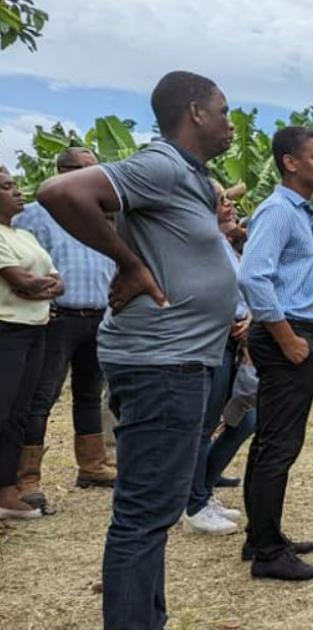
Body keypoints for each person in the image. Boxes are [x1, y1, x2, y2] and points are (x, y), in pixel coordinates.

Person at [37, 70, 237, 630]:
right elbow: (60, 192)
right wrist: (130, 264)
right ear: (195, 112)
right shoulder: (161, 164)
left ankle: (150, 618)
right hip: (161, 364)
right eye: (222, 111)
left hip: (178, 360)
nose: (229, 122)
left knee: (152, 512)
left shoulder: (192, 177)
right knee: (142, 517)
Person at [237, 125, 313, 581]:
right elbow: (253, 275)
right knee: (280, 445)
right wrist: (285, 337)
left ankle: (261, 536)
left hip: (290, 328)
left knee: (272, 439)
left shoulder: (298, 210)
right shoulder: (278, 211)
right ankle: (270, 554)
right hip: (286, 332)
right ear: (290, 163)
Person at [14, 148, 117, 514]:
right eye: (87, 171)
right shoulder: (34, 217)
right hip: (58, 317)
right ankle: (27, 477)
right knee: (41, 397)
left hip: (98, 316)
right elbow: (16, 260)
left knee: (90, 393)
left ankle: (93, 465)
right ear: (63, 173)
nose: (95, 179)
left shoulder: (101, 216)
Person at [179, 179, 252, 535]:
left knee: (244, 419)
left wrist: (249, 317)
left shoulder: (223, 243)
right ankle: (194, 503)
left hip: (233, 341)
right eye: (221, 199)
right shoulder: (197, 244)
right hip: (213, 341)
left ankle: (201, 492)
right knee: (204, 427)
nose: (229, 204)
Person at [0, 166, 62, 520]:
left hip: (36, 329)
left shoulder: (24, 235)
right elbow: (17, 279)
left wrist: (34, 287)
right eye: (7, 187)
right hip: (7, 329)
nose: (18, 191)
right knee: (2, 411)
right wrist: (34, 285)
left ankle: (8, 490)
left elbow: (54, 281)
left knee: (18, 414)